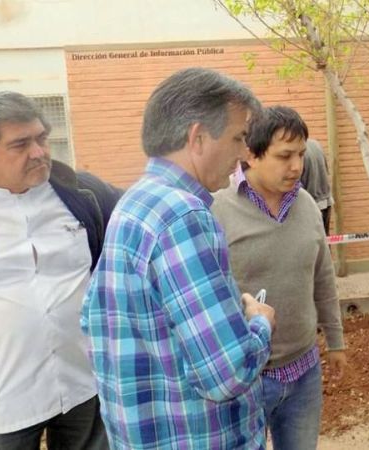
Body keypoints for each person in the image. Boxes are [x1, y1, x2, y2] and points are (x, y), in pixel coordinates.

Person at [82, 67, 276, 449]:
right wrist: (259, 324)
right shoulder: (183, 217)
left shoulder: (136, 202)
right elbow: (227, 374)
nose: (243, 154)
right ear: (198, 137)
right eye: (238, 137)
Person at [0, 91, 117, 449]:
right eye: (20, 144)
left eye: (42, 138)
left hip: (84, 382)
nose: (39, 151)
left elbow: (144, 213)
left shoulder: (80, 193)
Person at [212, 105, 345, 450]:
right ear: (252, 155)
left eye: (301, 154)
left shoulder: (307, 206)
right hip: (245, 379)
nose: (298, 166)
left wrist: (335, 341)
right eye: (285, 155)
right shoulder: (217, 211)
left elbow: (323, 278)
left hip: (304, 373)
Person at [300, 138, 335, 235]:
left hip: (310, 206)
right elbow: (326, 170)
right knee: (325, 243)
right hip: (326, 201)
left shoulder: (298, 152)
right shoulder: (316, 144)